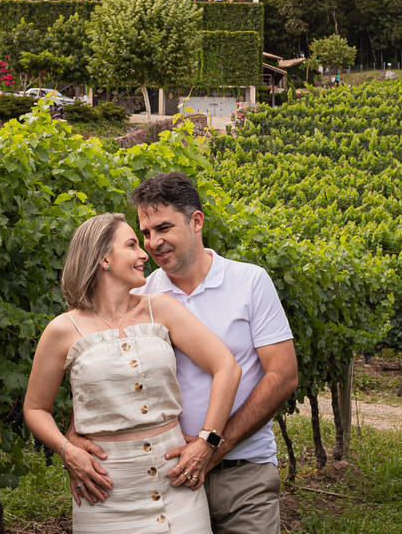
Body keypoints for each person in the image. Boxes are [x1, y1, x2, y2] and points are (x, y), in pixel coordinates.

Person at [67, 172, 299, 533]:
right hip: (165, 479)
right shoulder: (141, 295)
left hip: (243, 472)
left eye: (163, 228)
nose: (153, 242)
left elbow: (283, 377)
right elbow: (105, 371)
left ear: (196, 221)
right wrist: (73, 440)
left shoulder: (250, 282)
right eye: (145, 233)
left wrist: (212, 446)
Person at [24, 212, 242, 533]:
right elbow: (35, 408)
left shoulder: (160, 309)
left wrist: (207, 441)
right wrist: (67, 450)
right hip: (106, 492)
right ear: (103, 258)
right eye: (132, 245)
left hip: (178, 485)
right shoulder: (62, 330)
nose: (144, 254)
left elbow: (227, 367)